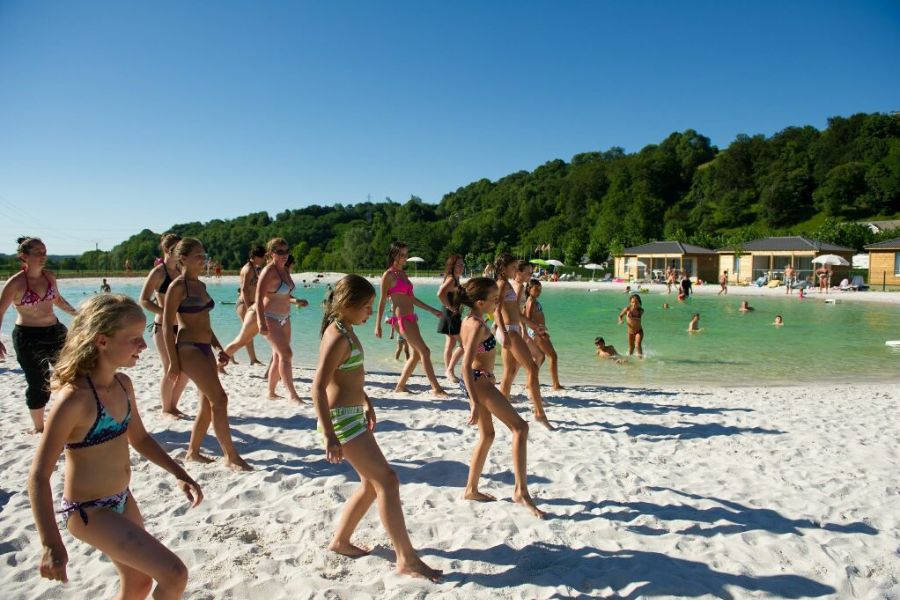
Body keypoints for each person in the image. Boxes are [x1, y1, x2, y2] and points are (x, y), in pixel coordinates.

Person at [28, 294, 202, 596]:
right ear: (101, 341)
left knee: (139, 582)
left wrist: (179, 473)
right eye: (133, 338)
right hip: (89, 512)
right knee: (174, 574)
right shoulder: (74, 400)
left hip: (122, 499)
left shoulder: (124, 385)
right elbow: (38, 477)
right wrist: (50, 543)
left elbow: (141, 438)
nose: (144, 346)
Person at [313, 275, 443, 581]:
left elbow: (349, 375)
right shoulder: (337, 336)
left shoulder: (344, 329)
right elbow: (318, 386)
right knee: (388, 481)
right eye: (368, 306)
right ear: (348, 304)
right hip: (340, 419)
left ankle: (341, 541)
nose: (372, 312)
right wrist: (330, 434)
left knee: (372, 485)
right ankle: (406, 558)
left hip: (352, 412)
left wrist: (366, 400)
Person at [455, 277, 545, 518]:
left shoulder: (473, 319)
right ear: (479, 302)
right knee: (521, 428)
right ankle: (521, 491)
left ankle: (471, 489)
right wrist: (474, 401)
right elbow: (464, 365)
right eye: (494, 299)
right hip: (478, 382)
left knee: (487, 435)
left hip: (480, 379)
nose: (498, 302)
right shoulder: (475, 325)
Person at [163, 237, 252, 472]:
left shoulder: (201, 286)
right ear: (182, 259)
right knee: (220, 399)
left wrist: (219, 347)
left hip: (204, 347)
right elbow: (165, 326)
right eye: (198, 256)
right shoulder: (177, 286)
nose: (204, 260)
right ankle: (231, 456)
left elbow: (205, 322)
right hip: (188, 347)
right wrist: (173, 362)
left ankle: (192, 452)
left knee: (206, 402)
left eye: (205, 256)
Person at [0, 237, 78, 434]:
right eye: (37, 253)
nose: (43, 257)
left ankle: (73, 418)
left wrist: (78, 314)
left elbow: (58, 300)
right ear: (23, 256)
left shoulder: (50, 276)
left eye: (44, 252)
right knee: (38, 383)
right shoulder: (15, 283)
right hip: (27, 337)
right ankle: (39, 427)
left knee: (72, 375)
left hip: (56, 332)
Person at [374, 242, 448, 397]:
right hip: (400, 319)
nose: (405, 257)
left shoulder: (403, 274)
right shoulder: (389, 275)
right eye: (402, 254)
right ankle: (436, 388)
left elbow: (412, 299)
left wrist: (432, 310)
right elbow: (381, 301)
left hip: (411, 318)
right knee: (425, 351)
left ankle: (400, 386)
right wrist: (378, 325)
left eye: (406, 254)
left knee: (415, 354)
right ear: (394, 255)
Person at [494, 255, 552, 429]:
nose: (515, 271)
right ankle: (539, 413)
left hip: (510, 329)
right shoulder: (503, 284)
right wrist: (504, 332)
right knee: (532, 368)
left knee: (511, 370)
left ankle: (502, 408)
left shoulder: (506, 283)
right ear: (503, 268)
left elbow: (516, 314)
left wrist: (535, 326)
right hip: (509, 330)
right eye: (513, 268)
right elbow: (496, 311)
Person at [139, 233, 190, 419]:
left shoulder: (182, 270)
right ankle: (165, 409)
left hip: (183, 327)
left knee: (185, 371)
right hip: (163, 327)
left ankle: (174, 406)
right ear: (167, 250)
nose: (181, 252)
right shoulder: (158, 272)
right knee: (170, 367)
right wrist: (164, 311)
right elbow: (143, 301)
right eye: (178, 249)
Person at [256, 238, 305, 405]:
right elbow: (258, 298)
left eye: (286, 251)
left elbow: (283, 295)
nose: (285, 255)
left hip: (285, 318)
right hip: (270, 318)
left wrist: (296, 301)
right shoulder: (267, 272)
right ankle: (292, 395)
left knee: (278, 356)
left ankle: (270, 392)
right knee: (286, 354)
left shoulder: (284, 270)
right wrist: (260, 322)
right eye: (280, 252)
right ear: (271, 254)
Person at [221, 245, 267, 369]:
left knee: (247, 334)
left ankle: (246, 357)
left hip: (251, 303)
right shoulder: (248, 269)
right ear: (256, 257)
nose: (262, 260)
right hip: (244, 304)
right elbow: (245, 289)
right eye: (262, 257)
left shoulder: (254, 268)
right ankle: (232, 355)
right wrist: (249, 307)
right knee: (247, 334)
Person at [524, 279, 563, 390]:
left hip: (536, 331)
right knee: (553, 356)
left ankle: (529, 382)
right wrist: (541, 332)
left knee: (541, 358)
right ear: (528, 289)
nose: (538, 292)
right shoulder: (531, 301)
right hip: (537, 332)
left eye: (540, 290)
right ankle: (555, 385)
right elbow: (529, 318)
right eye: (536, 289)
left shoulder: (531, 300)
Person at [436, 255, 465, 382]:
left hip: (450, 314)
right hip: (450, 315)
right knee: (464, 344)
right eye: (459, 264)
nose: (462, 266)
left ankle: (448, 371)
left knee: (450, 343)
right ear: (452, 266)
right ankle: (449, 370)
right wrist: (451, 308)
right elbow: (440, 293)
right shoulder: (452, 279)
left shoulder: (454, 278)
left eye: (462, 264)